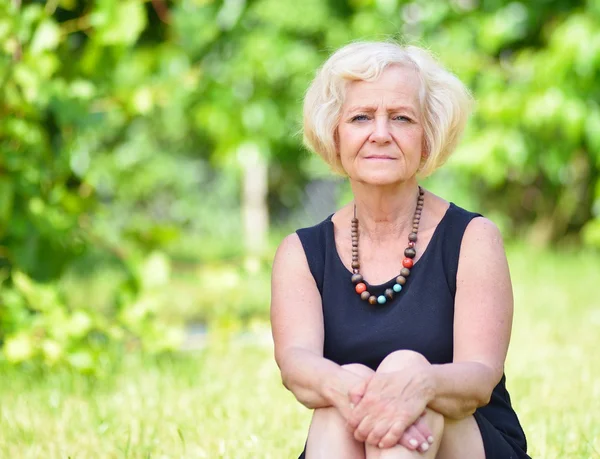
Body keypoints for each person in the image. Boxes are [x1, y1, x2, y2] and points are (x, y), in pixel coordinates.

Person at [270, 41, 529, 459]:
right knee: (339, 405)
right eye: (360, 117)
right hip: (344, 438)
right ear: (334, 134)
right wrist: (359, 391)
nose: (380, 134)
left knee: (408, 376)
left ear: (426, 138)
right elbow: (297, 367)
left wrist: (418, 383)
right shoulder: (300, 253)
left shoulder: (473, 239)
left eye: (401, 118)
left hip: (469, 442)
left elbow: (480, 378)